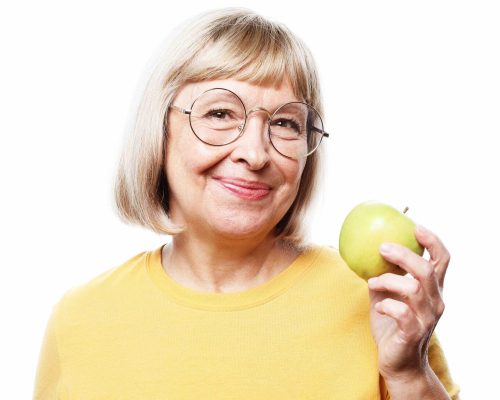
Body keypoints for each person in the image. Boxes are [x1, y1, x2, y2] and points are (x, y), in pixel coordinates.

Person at [33, 7, 460, 399]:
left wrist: (408, 373)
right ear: (158, 129)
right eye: (220, 114)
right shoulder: (81, 321)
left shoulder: (379, 306)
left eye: (285, 123)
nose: (255, 154)